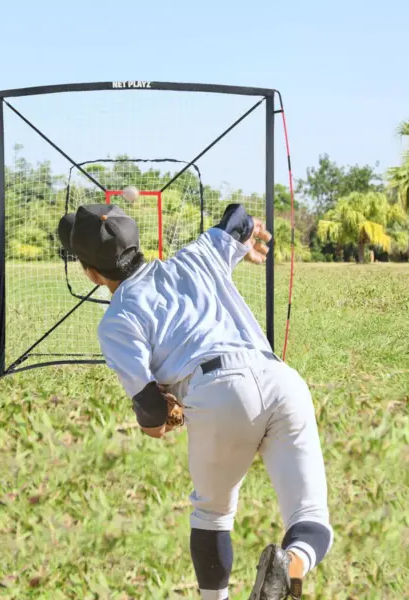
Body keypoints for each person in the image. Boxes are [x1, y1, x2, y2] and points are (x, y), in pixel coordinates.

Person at [57, 203, 333, 600]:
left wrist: (156, 424)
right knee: (310, 516)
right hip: (282, 381)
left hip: (218, 392)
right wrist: (248, 233)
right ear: (139, 243)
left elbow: (151, 407)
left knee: (213, 515)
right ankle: (290, 565)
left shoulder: (117, 318)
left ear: (90, 273)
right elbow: (237, 217)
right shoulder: (196, 256)